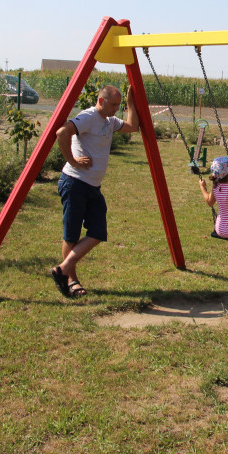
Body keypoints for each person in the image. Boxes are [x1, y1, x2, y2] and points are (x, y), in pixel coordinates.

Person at [50, 84, 138, 298]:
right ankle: (71, 281)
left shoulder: (109, 121)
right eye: (114, 104)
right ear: (101, 101)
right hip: (75, 182)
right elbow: (62, 132)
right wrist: (73, 160)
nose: (117, 109)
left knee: (98, 231)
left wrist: (130, 101)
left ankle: (62, 269)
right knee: (71, 235)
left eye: (119, 105)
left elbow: (132, 127)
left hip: (92, 186)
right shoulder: (89, 116)